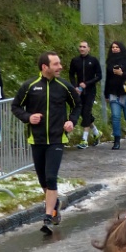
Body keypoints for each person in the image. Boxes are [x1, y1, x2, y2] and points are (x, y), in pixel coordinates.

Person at [11, 51, 80, 235]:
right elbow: (15, 106)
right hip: (37, 139)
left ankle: (48, 216)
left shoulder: (64, 86)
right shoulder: (30, 86)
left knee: (51, 177)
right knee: (43, 179)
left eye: (59, 63)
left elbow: (77, 105)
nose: (60, 67)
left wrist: (71, 121)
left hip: (57, 139)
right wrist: (28, 117)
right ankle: (54, 204)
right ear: (44, 67)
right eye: (56, 64)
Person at [68, 41, 102, 149]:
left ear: (88, 49)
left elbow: (99, 76)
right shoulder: (75, 60)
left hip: (90, 91)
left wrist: (87, 83)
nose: (82, 48)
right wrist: (74, 87)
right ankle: (96, 133)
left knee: (86, 112)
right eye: (80, 47)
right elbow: (71, 74)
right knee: (83, 113)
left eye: (84, 47)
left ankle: (84, 140)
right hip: (79, 92)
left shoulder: (93, 60)